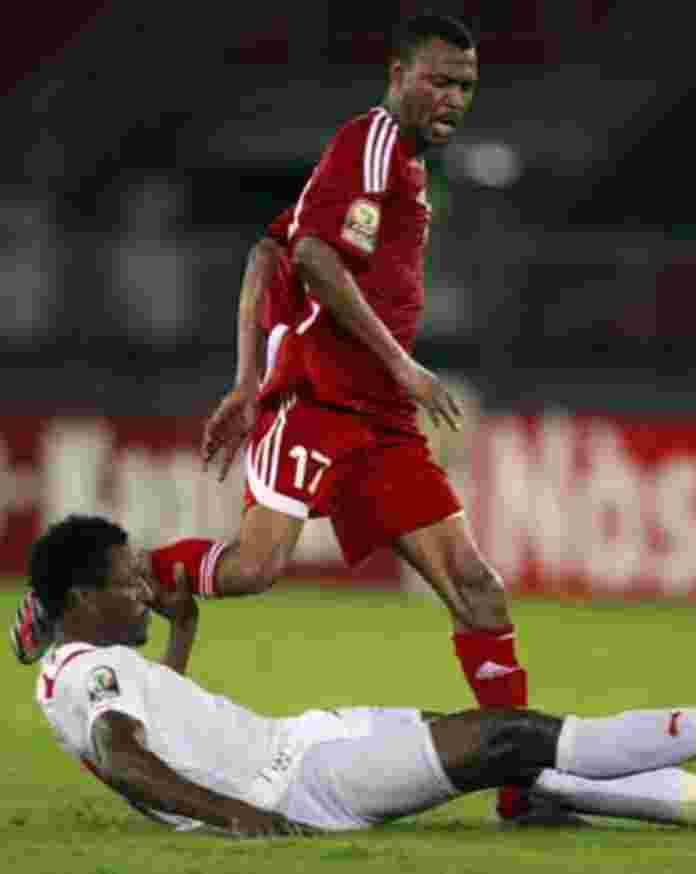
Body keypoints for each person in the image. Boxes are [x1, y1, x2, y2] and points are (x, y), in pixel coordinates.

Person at [13, 13, 550, 822]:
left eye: (465, 85)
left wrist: (241, 380)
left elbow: (268, 250)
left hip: (380, 423)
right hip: (319, 407)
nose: (452, 97)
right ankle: (98, 587)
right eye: (437, 79)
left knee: (478, 589)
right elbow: (309, 258)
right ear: (397, 73)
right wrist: (381, 366)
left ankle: (522, 793)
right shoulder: (368, 146)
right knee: (253, 571)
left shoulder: (394, 162)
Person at [31, 515, 696, 836]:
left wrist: (181, 641)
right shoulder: (81, 675)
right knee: (515, 737)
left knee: (519, 768)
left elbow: (154, 729)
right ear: (82, 599)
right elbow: (124, 755)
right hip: (299, 782)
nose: (149, 590)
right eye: (131, 581)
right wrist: (238, 816)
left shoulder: (84, 661)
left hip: (309, 738)